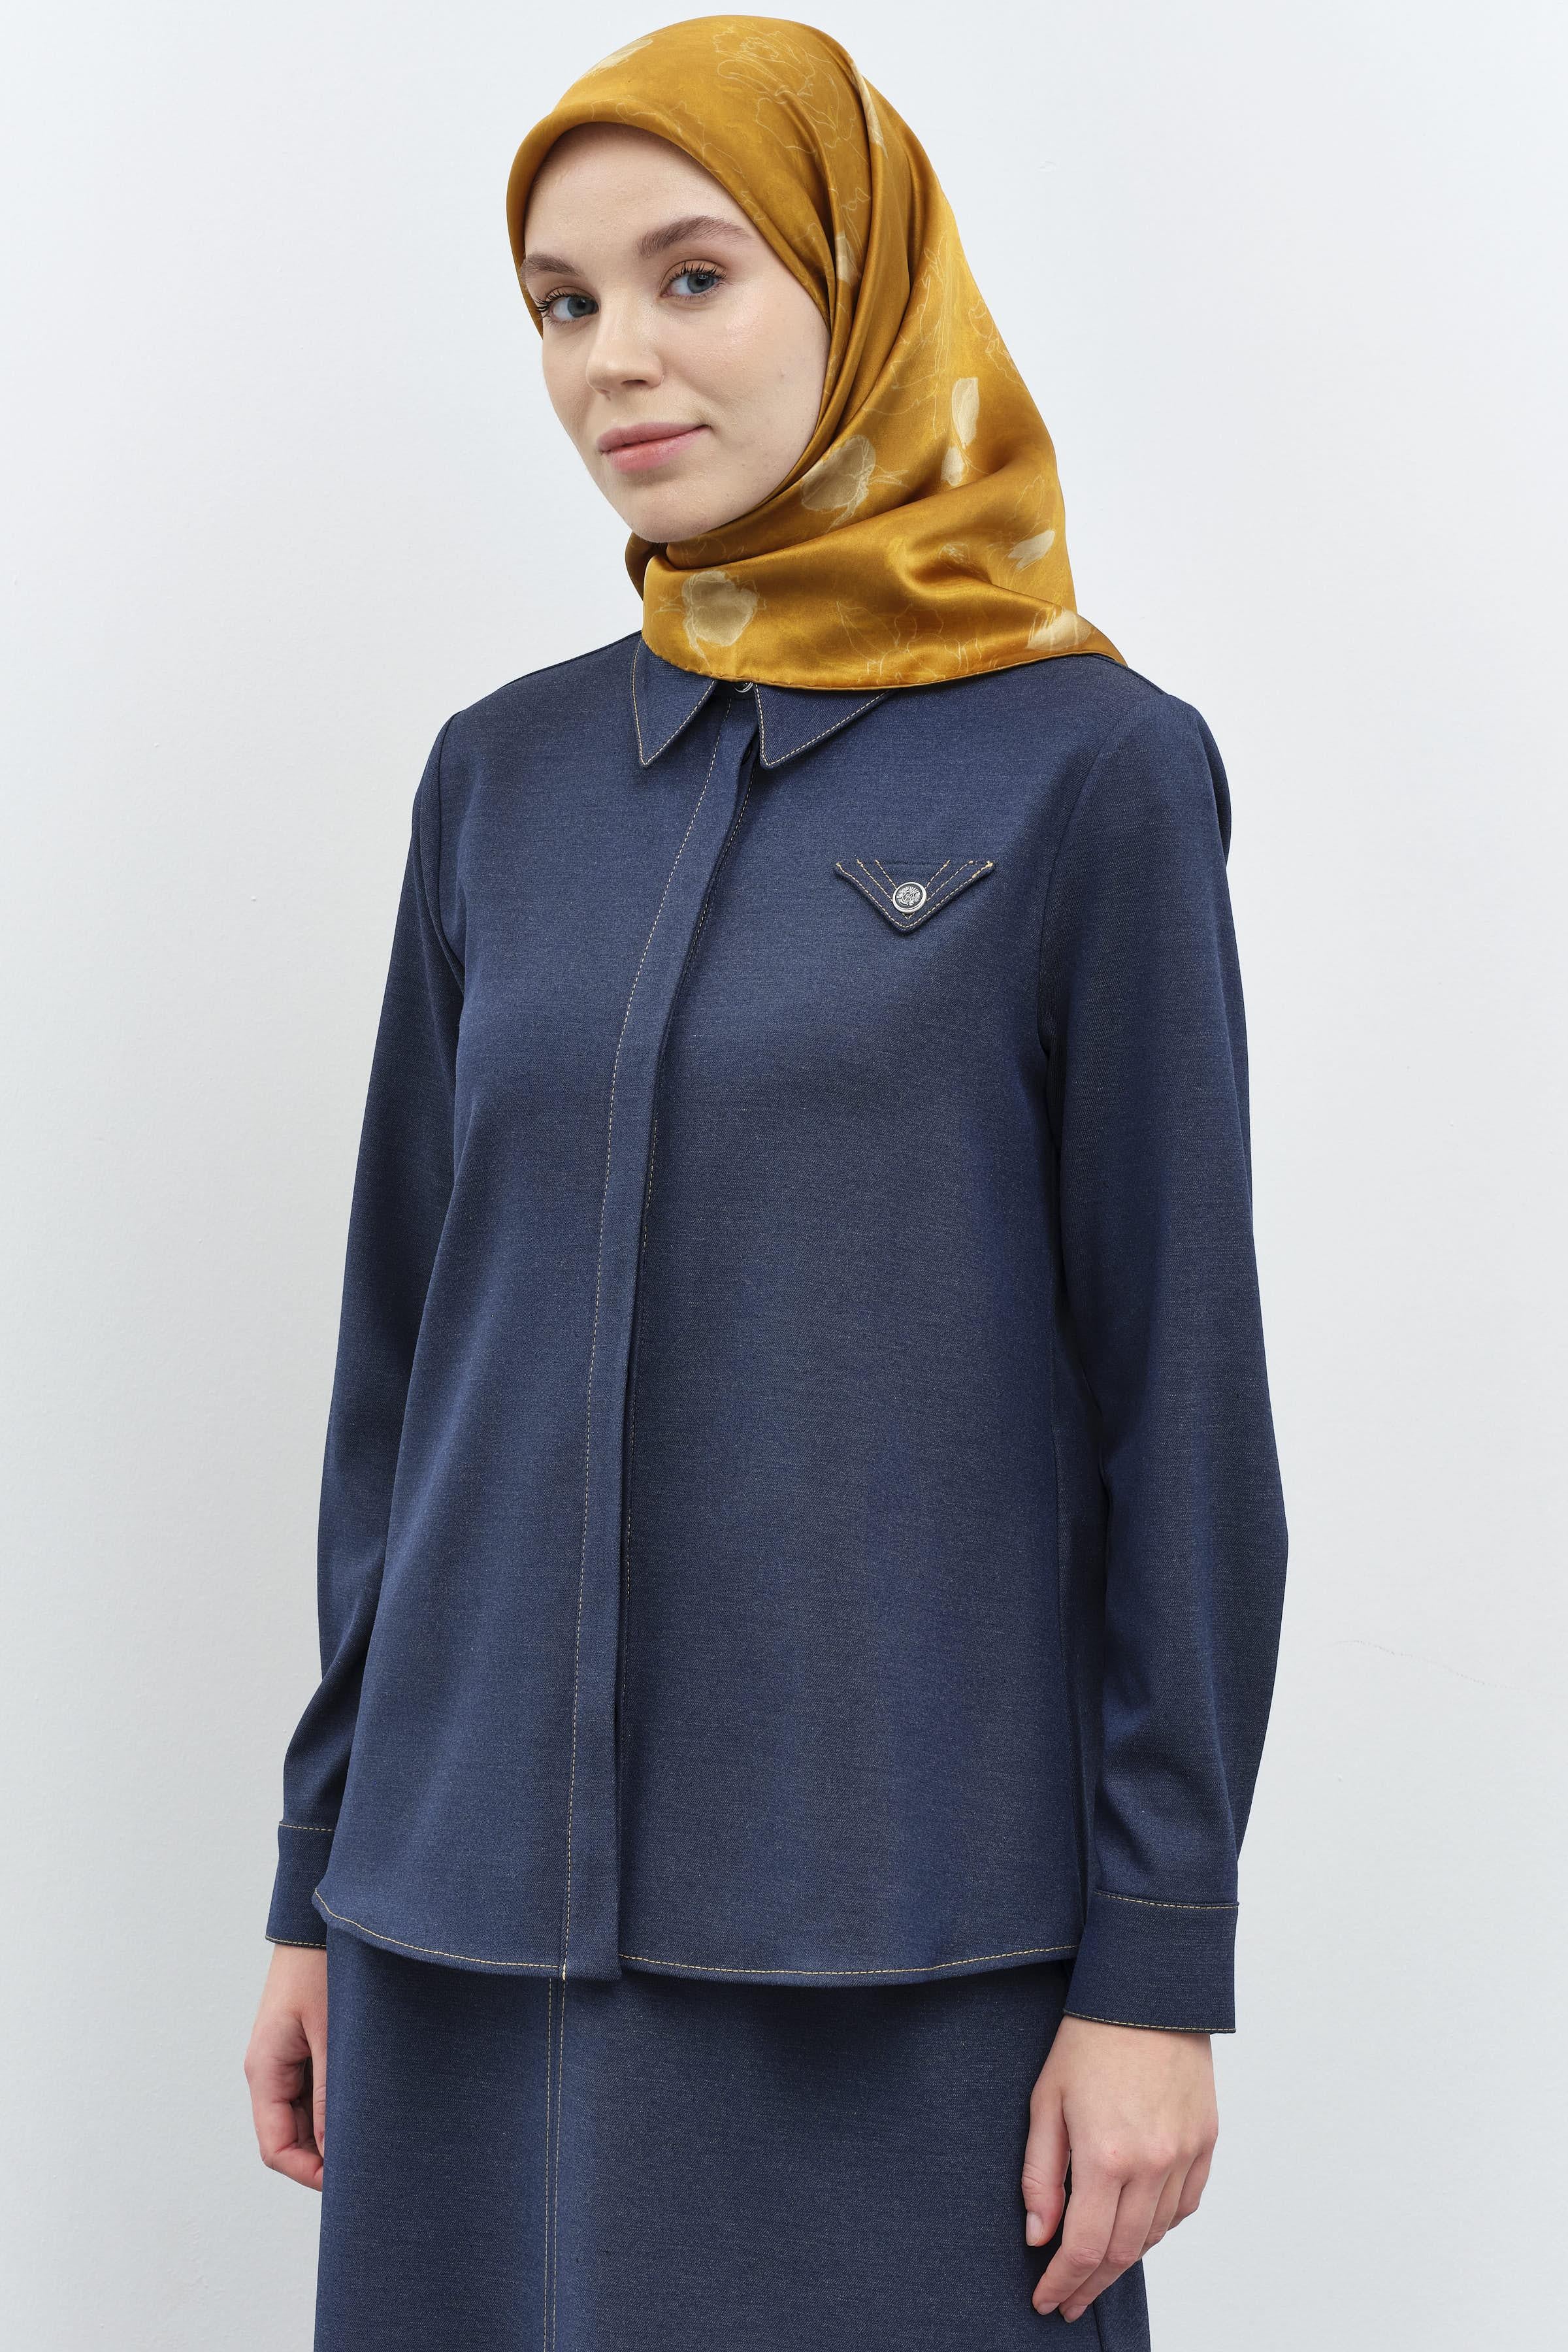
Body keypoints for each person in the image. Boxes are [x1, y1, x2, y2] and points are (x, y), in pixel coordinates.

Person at [244, 18, 1288, 2349]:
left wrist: (1159, 1966)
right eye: (563, 301)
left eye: (691, 275)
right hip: (459, 1932)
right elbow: (402, 1378)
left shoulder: (1092, 772)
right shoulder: (500, 780)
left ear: (862, 284)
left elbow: (1184, 1410)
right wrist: (319, 1879)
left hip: (906, 1953)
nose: (614, 355)